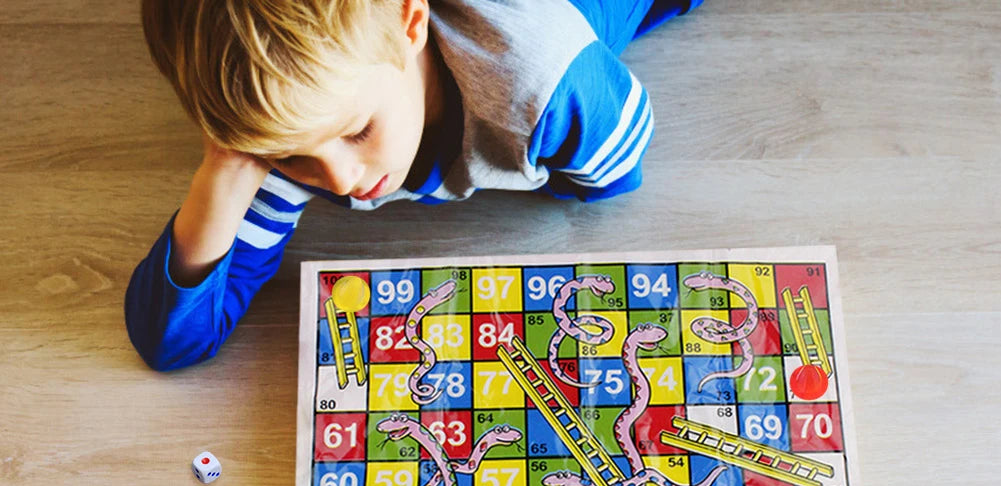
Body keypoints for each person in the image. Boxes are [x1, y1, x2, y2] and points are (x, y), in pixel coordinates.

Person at [125, 0, 706, 371]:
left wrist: (524, 166)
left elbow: (616, 168)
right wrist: (226, 169)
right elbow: (171, 340)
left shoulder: (546, 82)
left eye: (357, 132)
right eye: (286, 158)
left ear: (410, 23)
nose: (345, 183)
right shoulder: (294, 123)